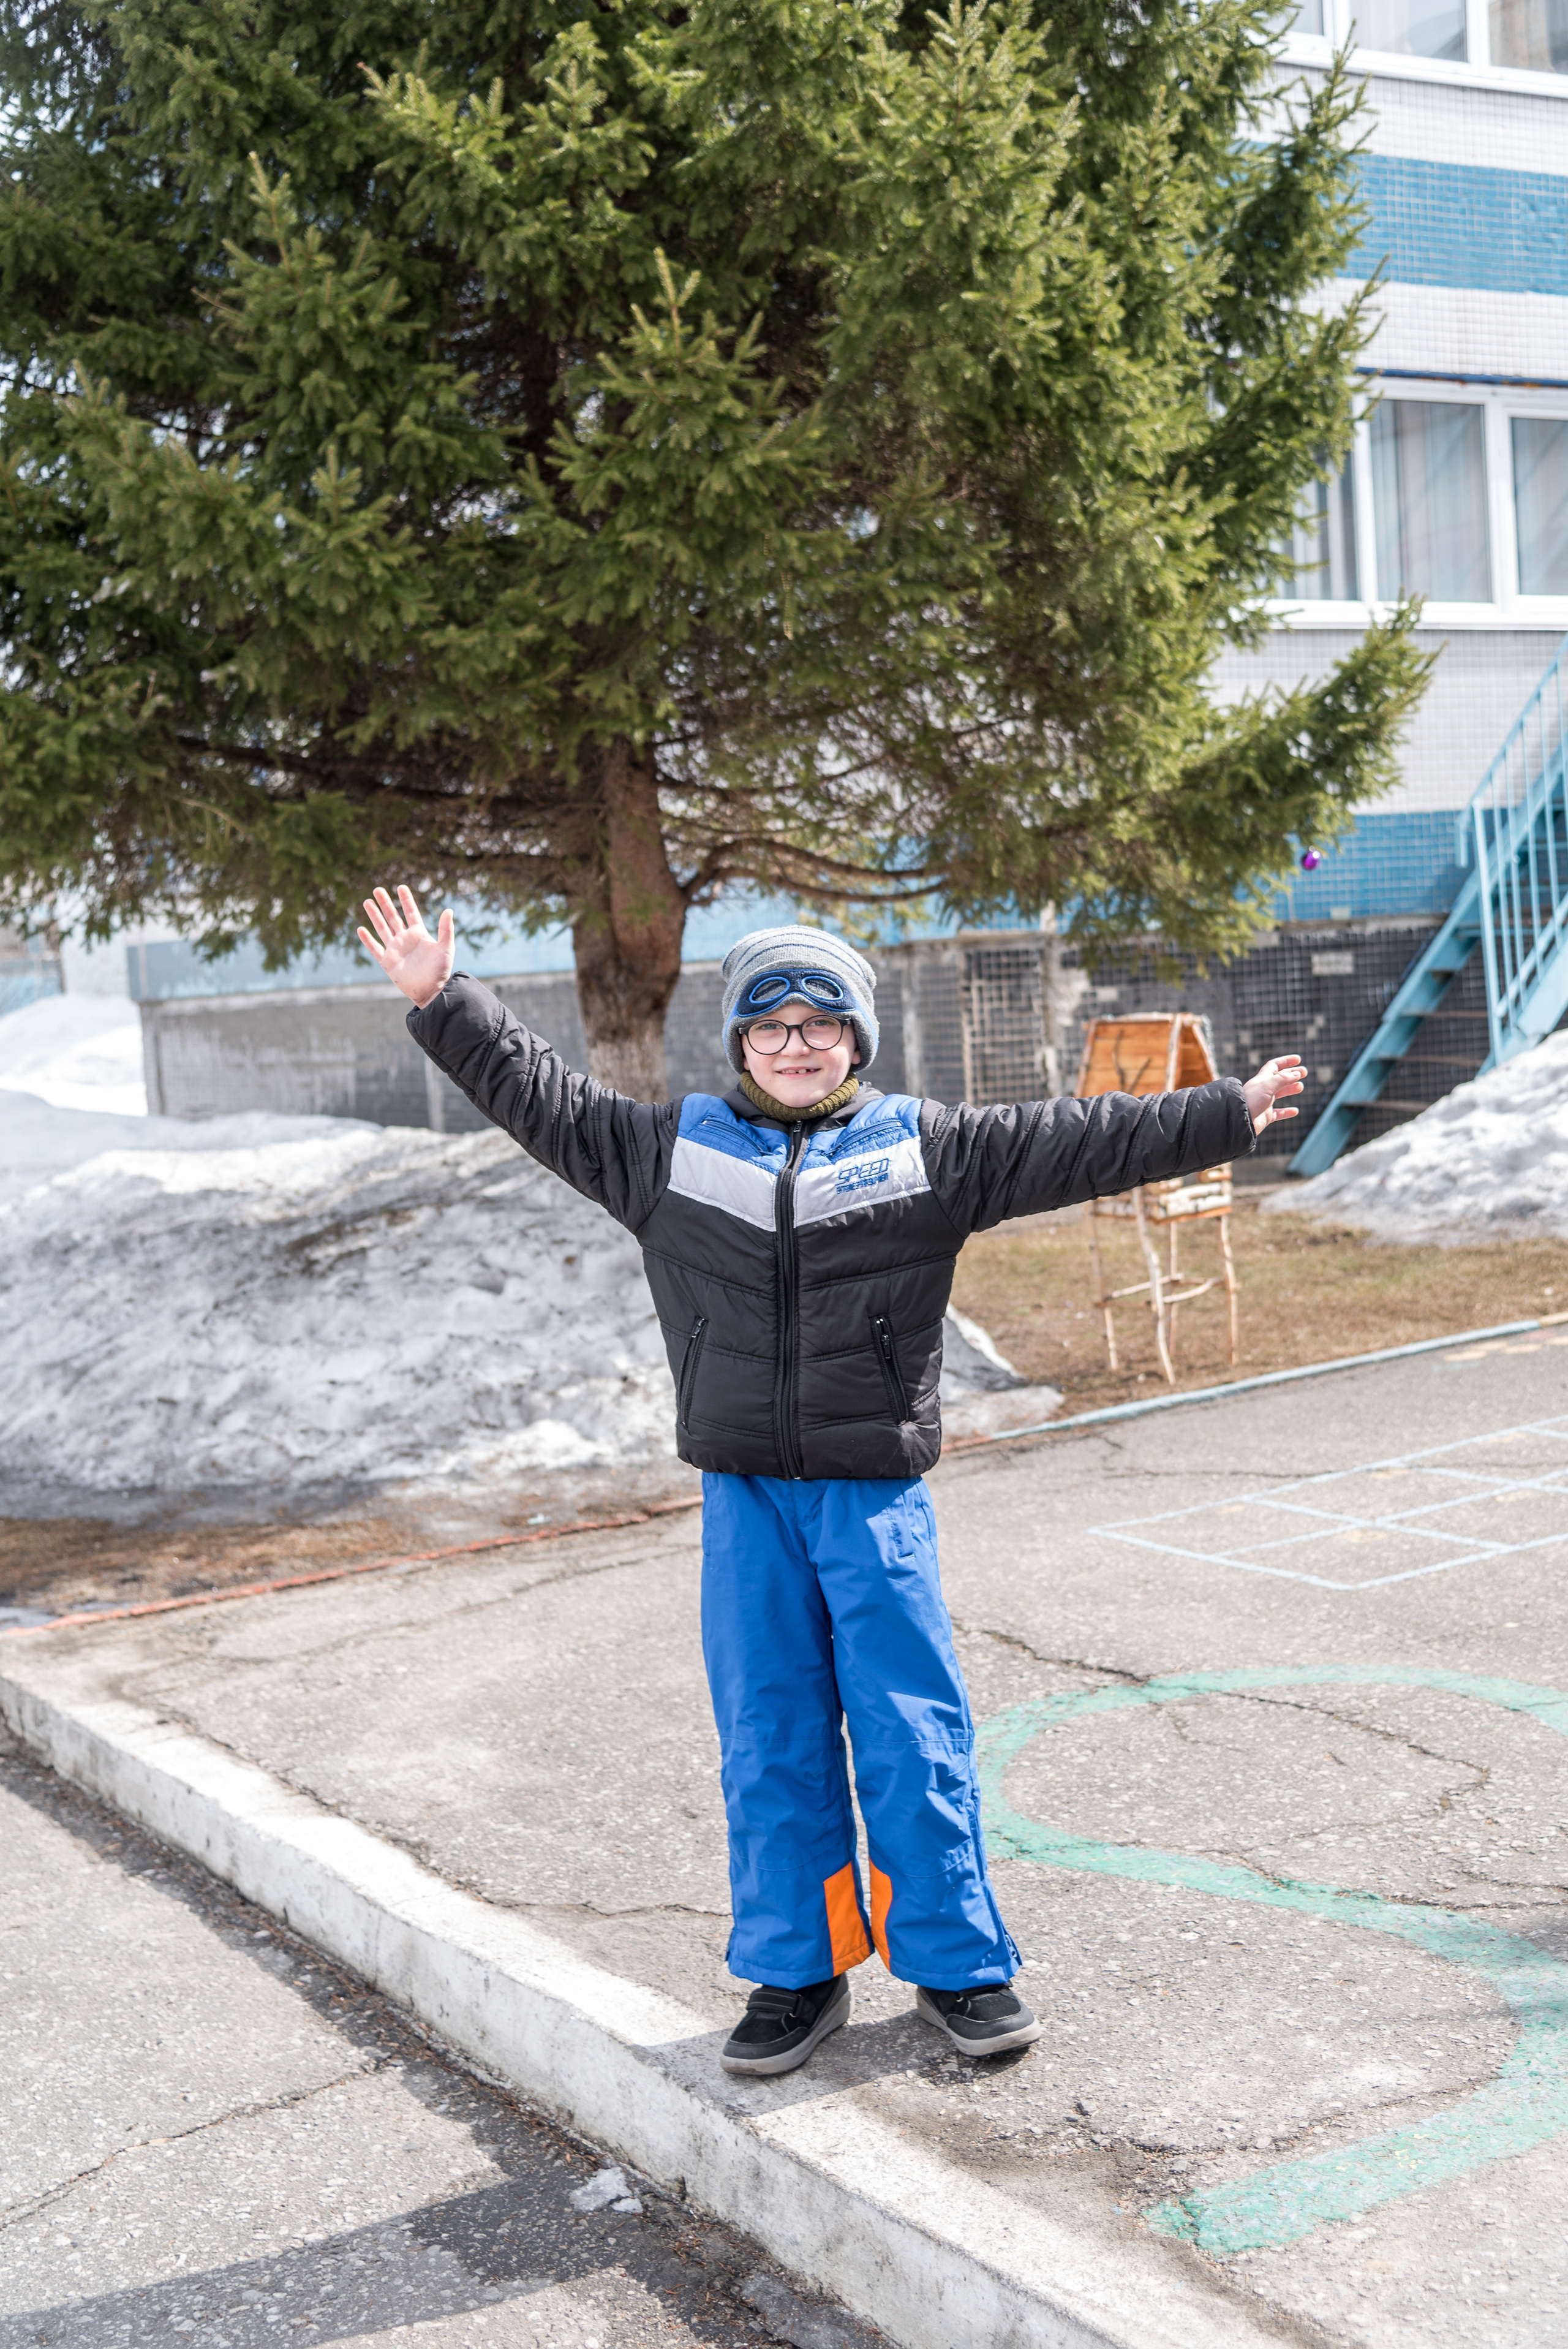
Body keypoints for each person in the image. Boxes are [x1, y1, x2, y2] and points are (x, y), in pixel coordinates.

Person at [359, 885, 1303, 2077]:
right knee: (769, 1738)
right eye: (770, 1025)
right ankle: (797, 1973)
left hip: (872, 1502)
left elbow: (1075, 1139)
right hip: (746, 1505)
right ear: (740, 1044)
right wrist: (445, 1001)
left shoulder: (926, 1153)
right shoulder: (666, 1154)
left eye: (818, 1022)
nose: (795, 1043)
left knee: (912, 1732)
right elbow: (538, 1095)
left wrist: (1223, 1113)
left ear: (853, 1038)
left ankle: (957, 1965)